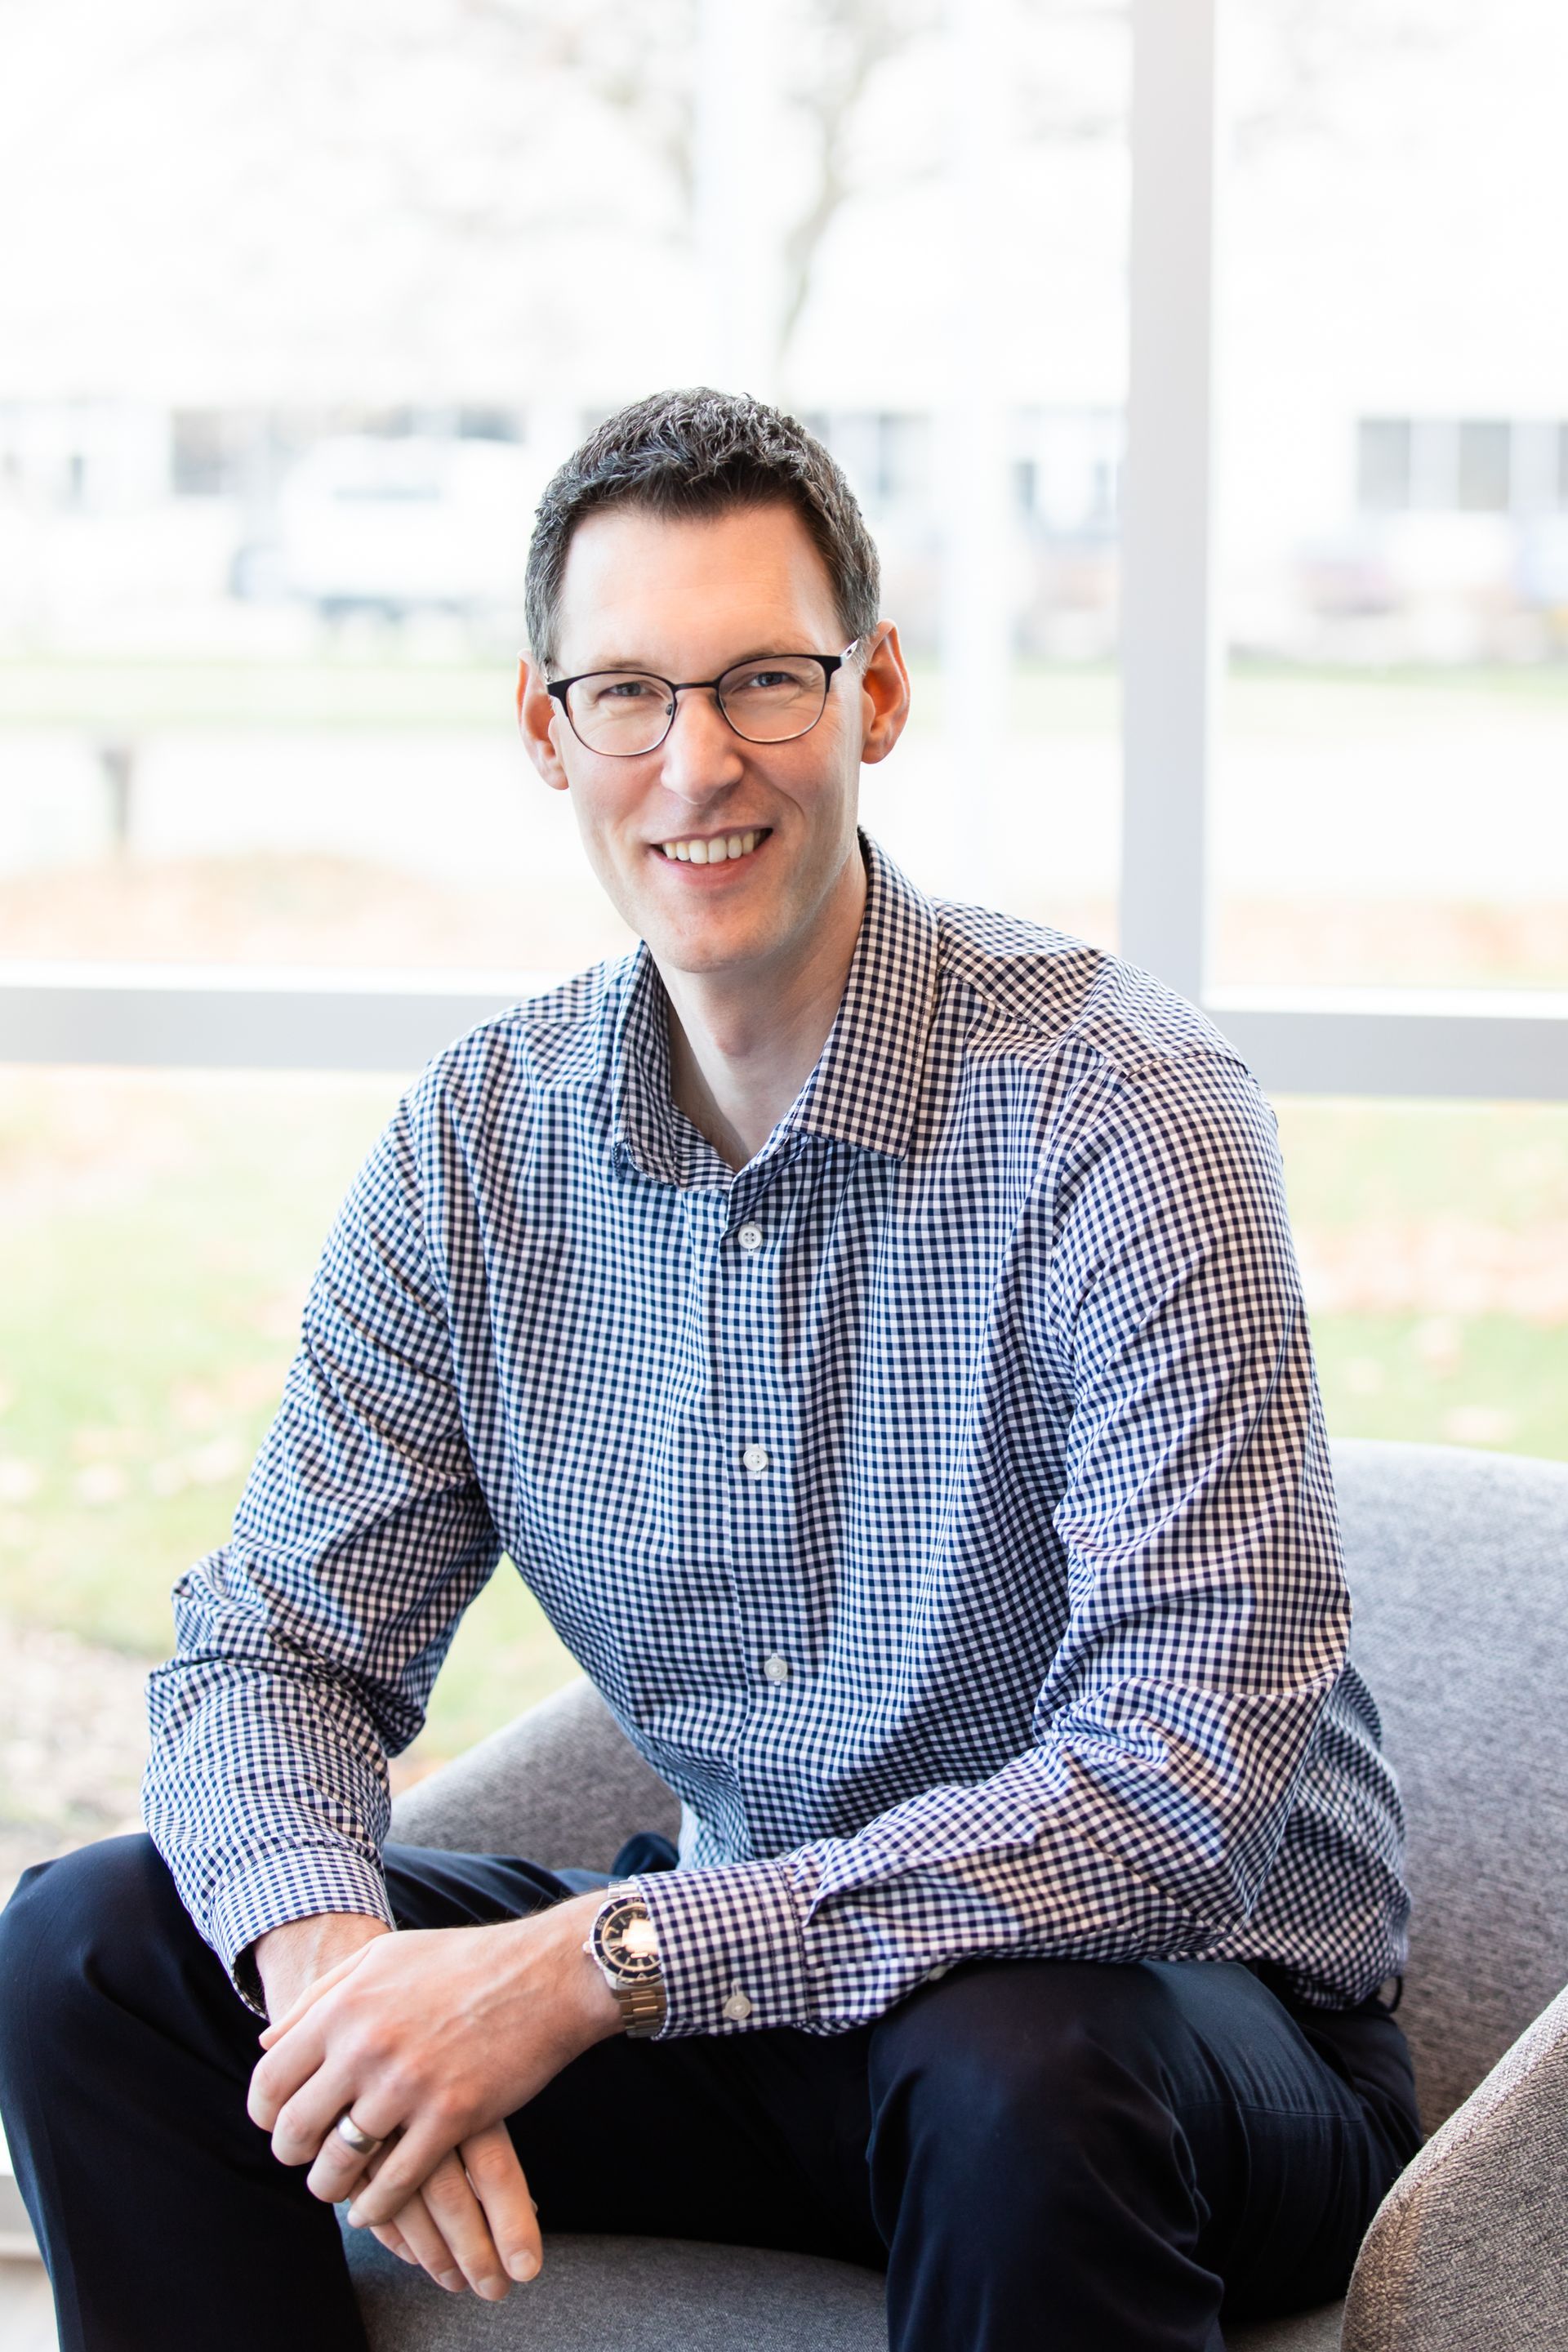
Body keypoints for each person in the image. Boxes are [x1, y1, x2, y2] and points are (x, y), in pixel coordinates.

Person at [0, 388, 1418, 2352]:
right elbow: (270, 1652)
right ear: (543, 726)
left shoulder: (1123, 1119)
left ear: (879, 694)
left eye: (765, 678)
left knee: (1015, 2062)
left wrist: (593, 1962)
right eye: (629, 695)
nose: (699, 764)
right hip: (752, 2006)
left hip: (1168, 2034)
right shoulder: (479, 1150)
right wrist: (341, 1998)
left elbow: (1178, 1789)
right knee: (92, 1950)